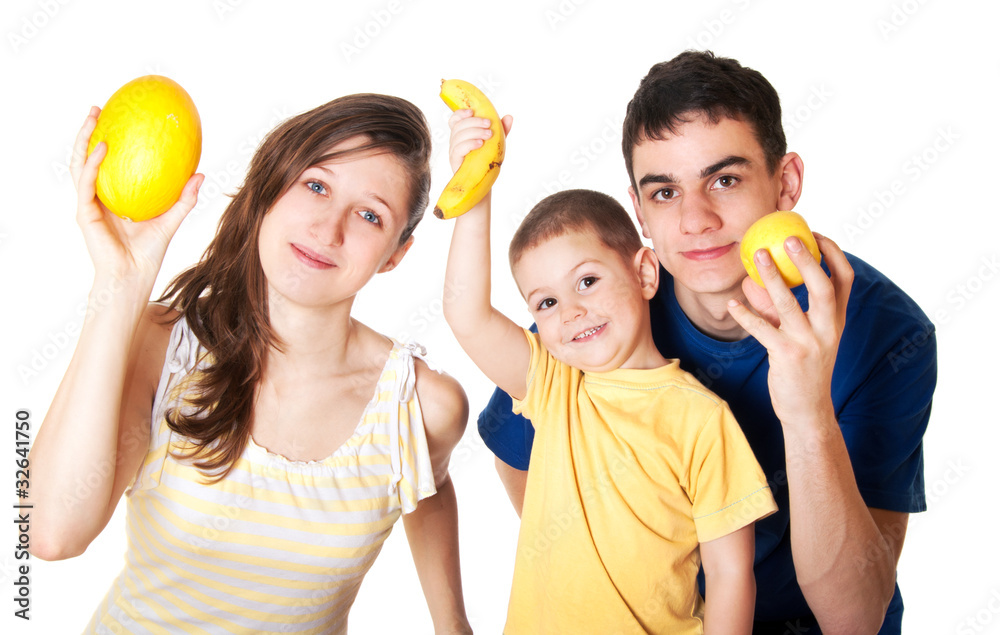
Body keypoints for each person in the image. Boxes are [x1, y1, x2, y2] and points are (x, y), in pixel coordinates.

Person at [478, 51, 936, 634]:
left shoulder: (890, 333)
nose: (696, 221)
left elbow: (854, 621)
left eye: (725, 180)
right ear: (639, 211)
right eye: (665, 192)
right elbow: (520, 455)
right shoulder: (599, 314)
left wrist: (807, 413)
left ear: (786, 182)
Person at [28, 94, 474, 634]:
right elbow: (50, 533)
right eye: (316, 186)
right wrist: (119, 286)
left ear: (396, 254)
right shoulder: (164, 348)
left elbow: (429, 484)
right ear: (270, 187)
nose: (328, 229)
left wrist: (454, 625)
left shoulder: (419, 406)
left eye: (369, 215)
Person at [442, 108, 778, 632]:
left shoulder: (703, 419)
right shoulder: (553, 386)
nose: (571, 312)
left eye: (587, 282)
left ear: (644, 273)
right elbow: (465, 313)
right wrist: (474, 191)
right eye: (546, 303)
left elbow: (730, 574)